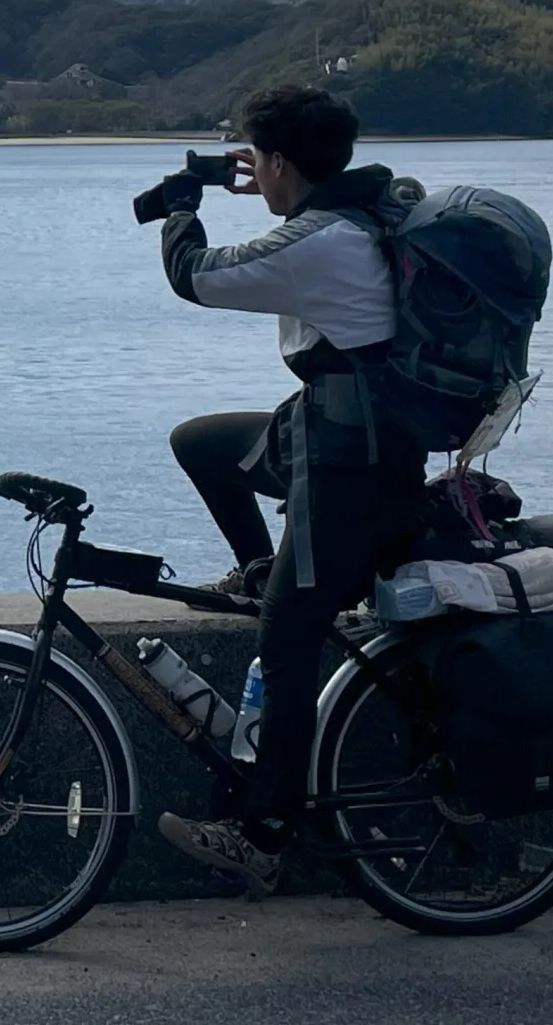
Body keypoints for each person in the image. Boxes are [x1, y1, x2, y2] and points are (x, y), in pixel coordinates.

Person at [137, 83, 426, 895]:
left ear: (281, 161)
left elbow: (195, 276)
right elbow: (286, 240)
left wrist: (182, 207)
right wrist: (263, 182)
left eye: (256, 154)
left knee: (289, 644)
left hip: (350, 466)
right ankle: (264, 568)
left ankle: (263, 835)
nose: (251, 167)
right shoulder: (359, 213)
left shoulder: (321, 242)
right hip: (325, 434)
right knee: (202, 445)